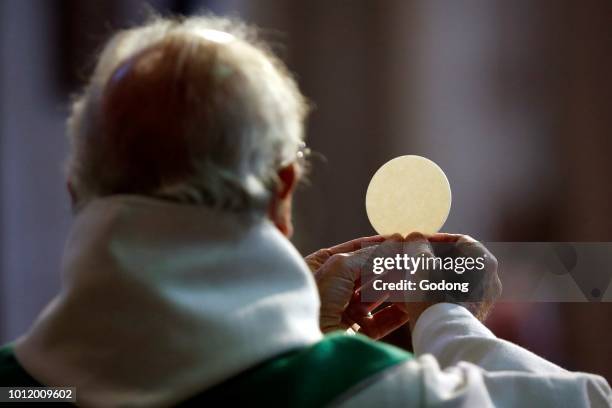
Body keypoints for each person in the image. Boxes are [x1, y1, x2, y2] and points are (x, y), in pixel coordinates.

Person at [0, 15, 610, 407]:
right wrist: (443, 314)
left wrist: (292, 332)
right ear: (282, 192)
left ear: (76, 192)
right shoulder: (370, 392)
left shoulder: (28, 389)